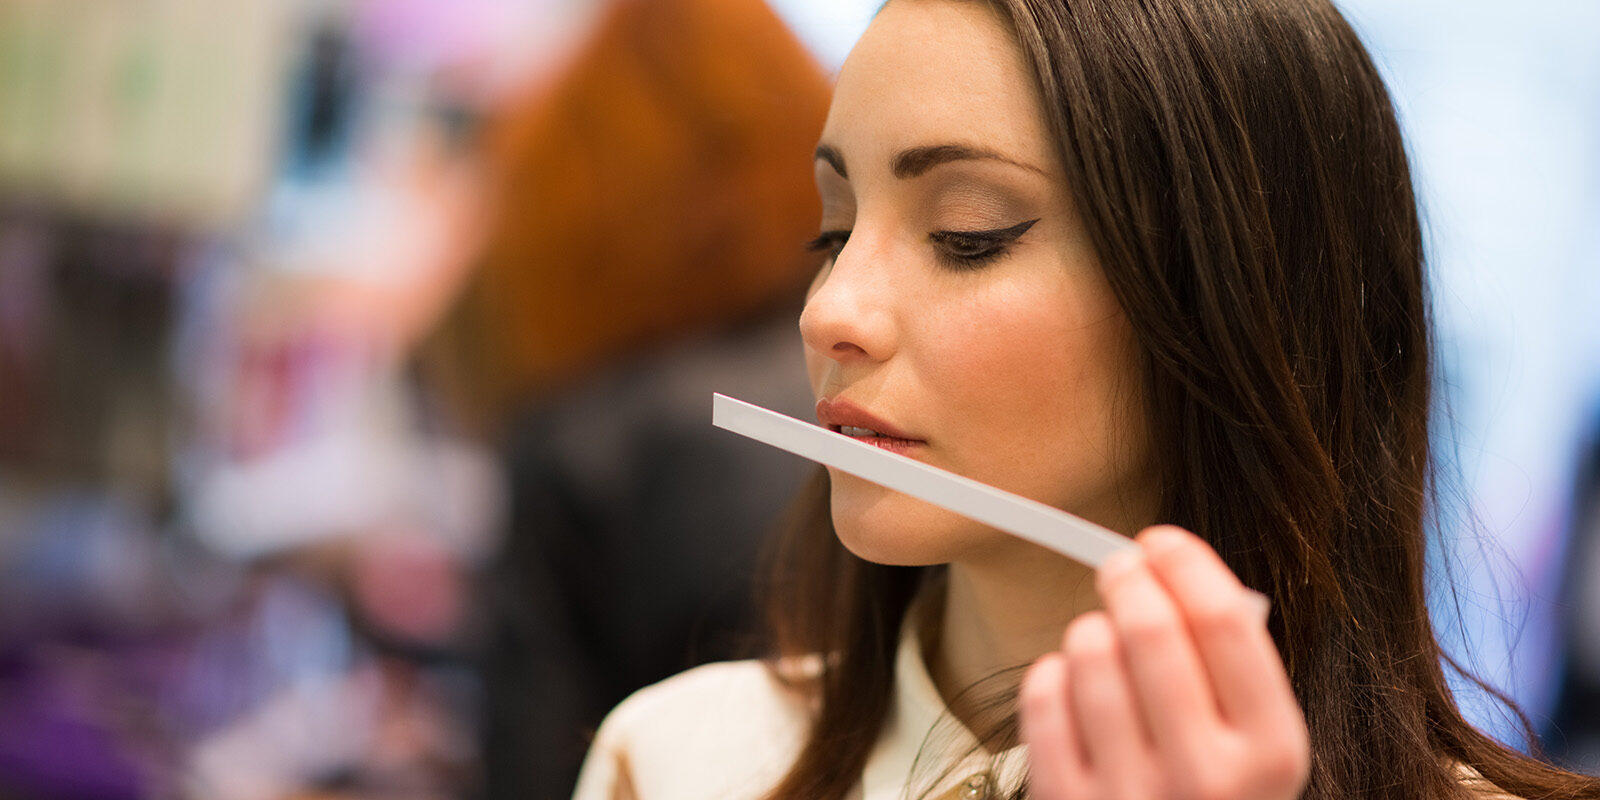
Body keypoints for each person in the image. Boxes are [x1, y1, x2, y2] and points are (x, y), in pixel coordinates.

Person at [571, 1, 1600, 799]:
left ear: (1234, 297)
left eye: (967, 233)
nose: (828, 309)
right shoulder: (676, 758)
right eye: (831, 230)